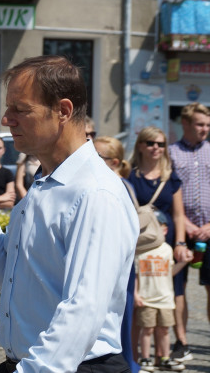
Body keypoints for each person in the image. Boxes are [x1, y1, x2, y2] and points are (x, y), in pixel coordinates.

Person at [0, 55, 139, 373]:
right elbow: (8, 272)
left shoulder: (95, 192)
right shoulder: (48, 183)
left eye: (20, 109)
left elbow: (83, 308)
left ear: (62, 111)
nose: (7, 120)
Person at [128, 124, 190, 361]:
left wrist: (181, 243)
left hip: (167, 243)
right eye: (151, 143)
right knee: (138, 299)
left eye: (161, 144)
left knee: (171, 294)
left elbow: (178, 214)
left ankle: (165, 352)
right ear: (141, 146)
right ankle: (135, 356)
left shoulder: (170, 177)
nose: (156, 148)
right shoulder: (130, 176)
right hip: (140, 244)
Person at [166, 101, 210, 363]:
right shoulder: (170, 153)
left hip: (209, 230)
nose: (205, 129)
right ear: (185, 123)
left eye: (207, 125)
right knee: (177, 289)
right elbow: (168, 193)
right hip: (180, 231)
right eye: (199, 124)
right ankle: (181, 341)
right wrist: (186, 225)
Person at [93, 135, 142, 373]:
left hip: (115, 265)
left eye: (97, 156)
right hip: (111, 263)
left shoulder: (116, 186)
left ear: (113, 161)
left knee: (117, 322)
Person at [134, 210, 186, 372]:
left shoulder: (167, 249)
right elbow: (136, 275)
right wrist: (135, 294)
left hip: (165, 298)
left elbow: (169, 272)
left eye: (161, 227)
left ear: (165, 230)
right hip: (146, 297)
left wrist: (183, 263)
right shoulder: (141, 249)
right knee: (147, 329)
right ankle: (146, 358)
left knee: (164, 329)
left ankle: (164, 357)